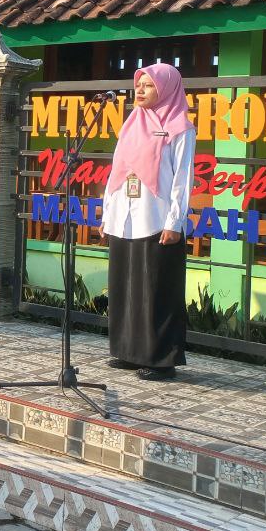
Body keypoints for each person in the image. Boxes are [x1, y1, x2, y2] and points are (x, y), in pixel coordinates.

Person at [102, 63, 196, 382]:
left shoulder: (180, 127)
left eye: (148, 85)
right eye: (138, 84)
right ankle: (129, 352)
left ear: (166, 89)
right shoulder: (132, 123)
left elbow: (183, 178)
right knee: (125, 287)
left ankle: (161, 360)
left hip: (157, 219)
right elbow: (116, 171)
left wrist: (175, 222)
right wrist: (108, 213)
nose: (139, 90)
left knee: (157, 291)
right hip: (125, 216)